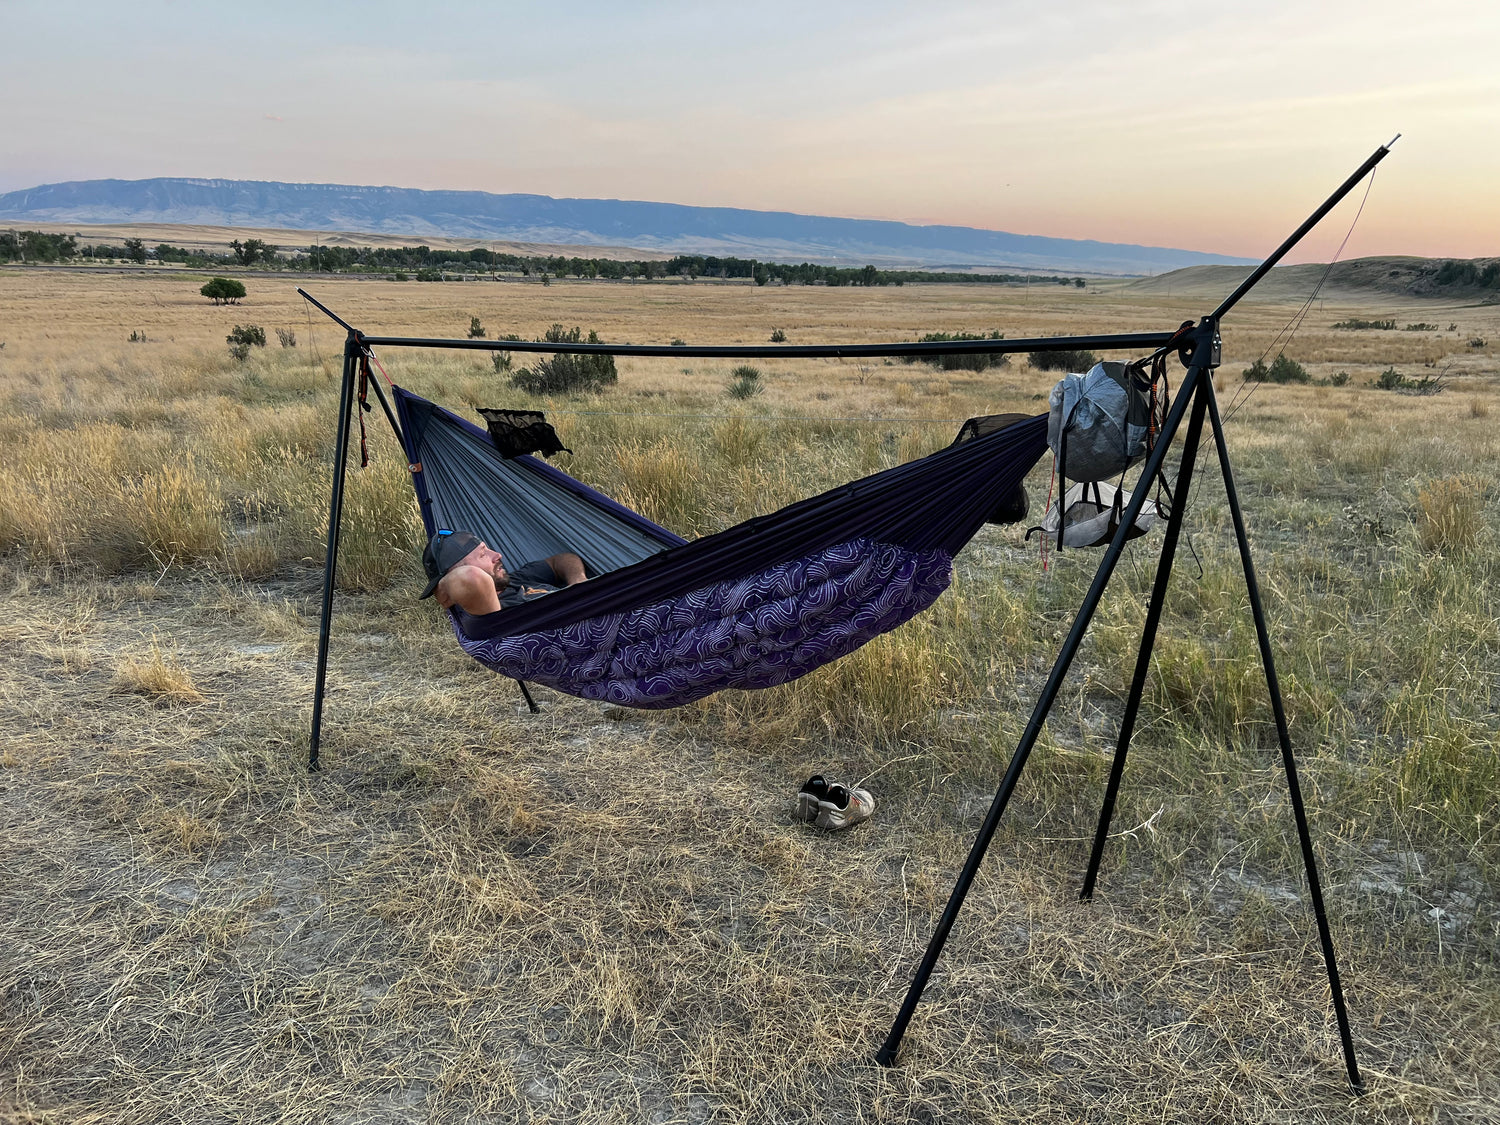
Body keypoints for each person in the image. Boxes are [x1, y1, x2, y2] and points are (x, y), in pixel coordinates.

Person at [419, 529, 587, 616]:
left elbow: (562, 559)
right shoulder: (488, 610)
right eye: (483, 554)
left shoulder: (510, 580)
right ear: (456, 572)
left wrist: (579, 581)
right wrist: (441, 588)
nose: (497, 555)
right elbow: (470, 578)